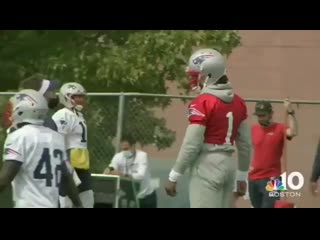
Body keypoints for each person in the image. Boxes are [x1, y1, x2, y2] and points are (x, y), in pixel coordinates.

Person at [165, 48, 251, 208]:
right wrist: (242, 176)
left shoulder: (203, 102)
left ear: (209, 74)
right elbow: (245, 144)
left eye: (197, 74)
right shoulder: (239, 102)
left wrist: (174, 175)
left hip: (207, 165)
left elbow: (192, 143)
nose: (194, 79)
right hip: (229, 165)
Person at [0, 89, 82, 208]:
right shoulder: (57, 137)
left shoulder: (18, 136)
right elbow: (67, 177)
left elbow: (5, 178)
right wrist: (78, 204)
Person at [47, 82, 94, 208]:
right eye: (77, 96)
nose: (81, 99)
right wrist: (65, 164)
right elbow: (58, 140)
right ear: (67, 97)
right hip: (70, 163)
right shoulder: (63, 114)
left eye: (82, 96)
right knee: (66, 202)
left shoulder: (78, 115)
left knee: (87, 201)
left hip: (82, 165)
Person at [248, 100, 297, 208]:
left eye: (263, 115)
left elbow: (293, 132)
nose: (260, 118)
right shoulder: (253, 129)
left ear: (270, 114)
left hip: (274, 178)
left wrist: (290, 112)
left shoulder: (279, 128)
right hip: (253, 177)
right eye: (258, 116)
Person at [104, 135, 157, 208]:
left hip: (147, 196)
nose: (124, 151)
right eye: (122, 149)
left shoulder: (142, 156)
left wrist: (123, 174)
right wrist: (109, 170)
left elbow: (140, 176)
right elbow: (112, 166)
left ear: (133, 146)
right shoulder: (118, 156)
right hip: (132, 196)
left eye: (126, 149)